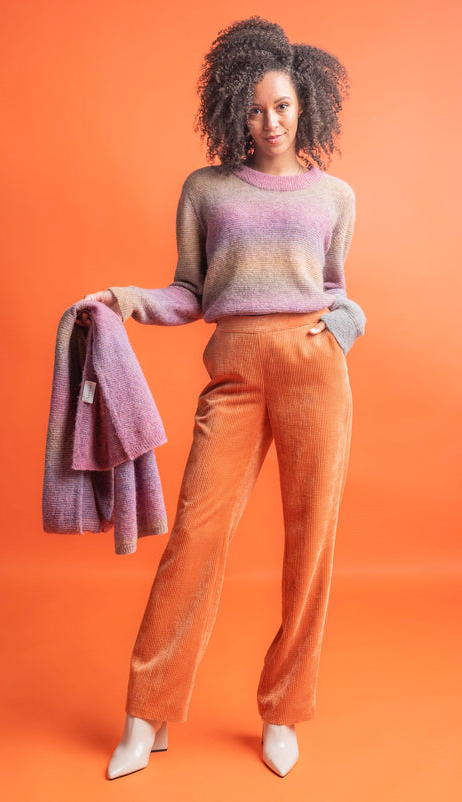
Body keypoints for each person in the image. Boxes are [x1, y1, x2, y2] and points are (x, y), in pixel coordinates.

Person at [78, 16, 366, 779]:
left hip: (314, 371)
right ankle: (145, 715)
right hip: (233, 373)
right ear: (233, 106)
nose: (269, 122)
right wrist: (124, 300)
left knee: (310, 545)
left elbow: (335, 288)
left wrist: (344, 326)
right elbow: (189, 292)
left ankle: (283, 713)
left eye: (282, 107)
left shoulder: (334, 195)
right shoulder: (205, 189)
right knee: (194, 539)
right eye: (255, 108)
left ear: (304, 106)